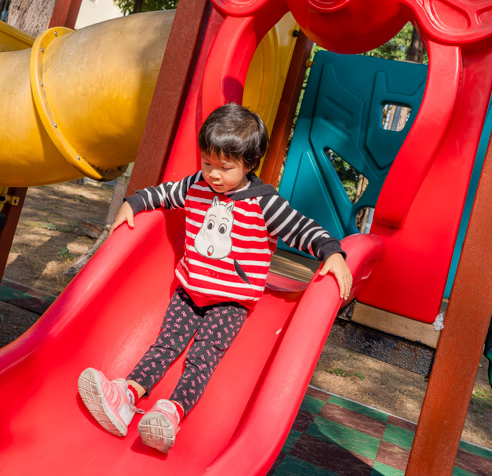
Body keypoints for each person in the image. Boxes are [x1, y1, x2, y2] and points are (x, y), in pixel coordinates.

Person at [77, 103, 352, 453]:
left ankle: (170, 413)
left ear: (249, 165)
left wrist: (332, 251)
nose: (213, 174)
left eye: (225, 167)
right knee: (165, 343)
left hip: (230, 301)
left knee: (203, 356)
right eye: (207, 163)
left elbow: (300, 228)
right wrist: (136, 201)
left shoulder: (263, 202)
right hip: (190, 290)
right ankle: (126, 395)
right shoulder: (196, 185)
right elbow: (165, 192)